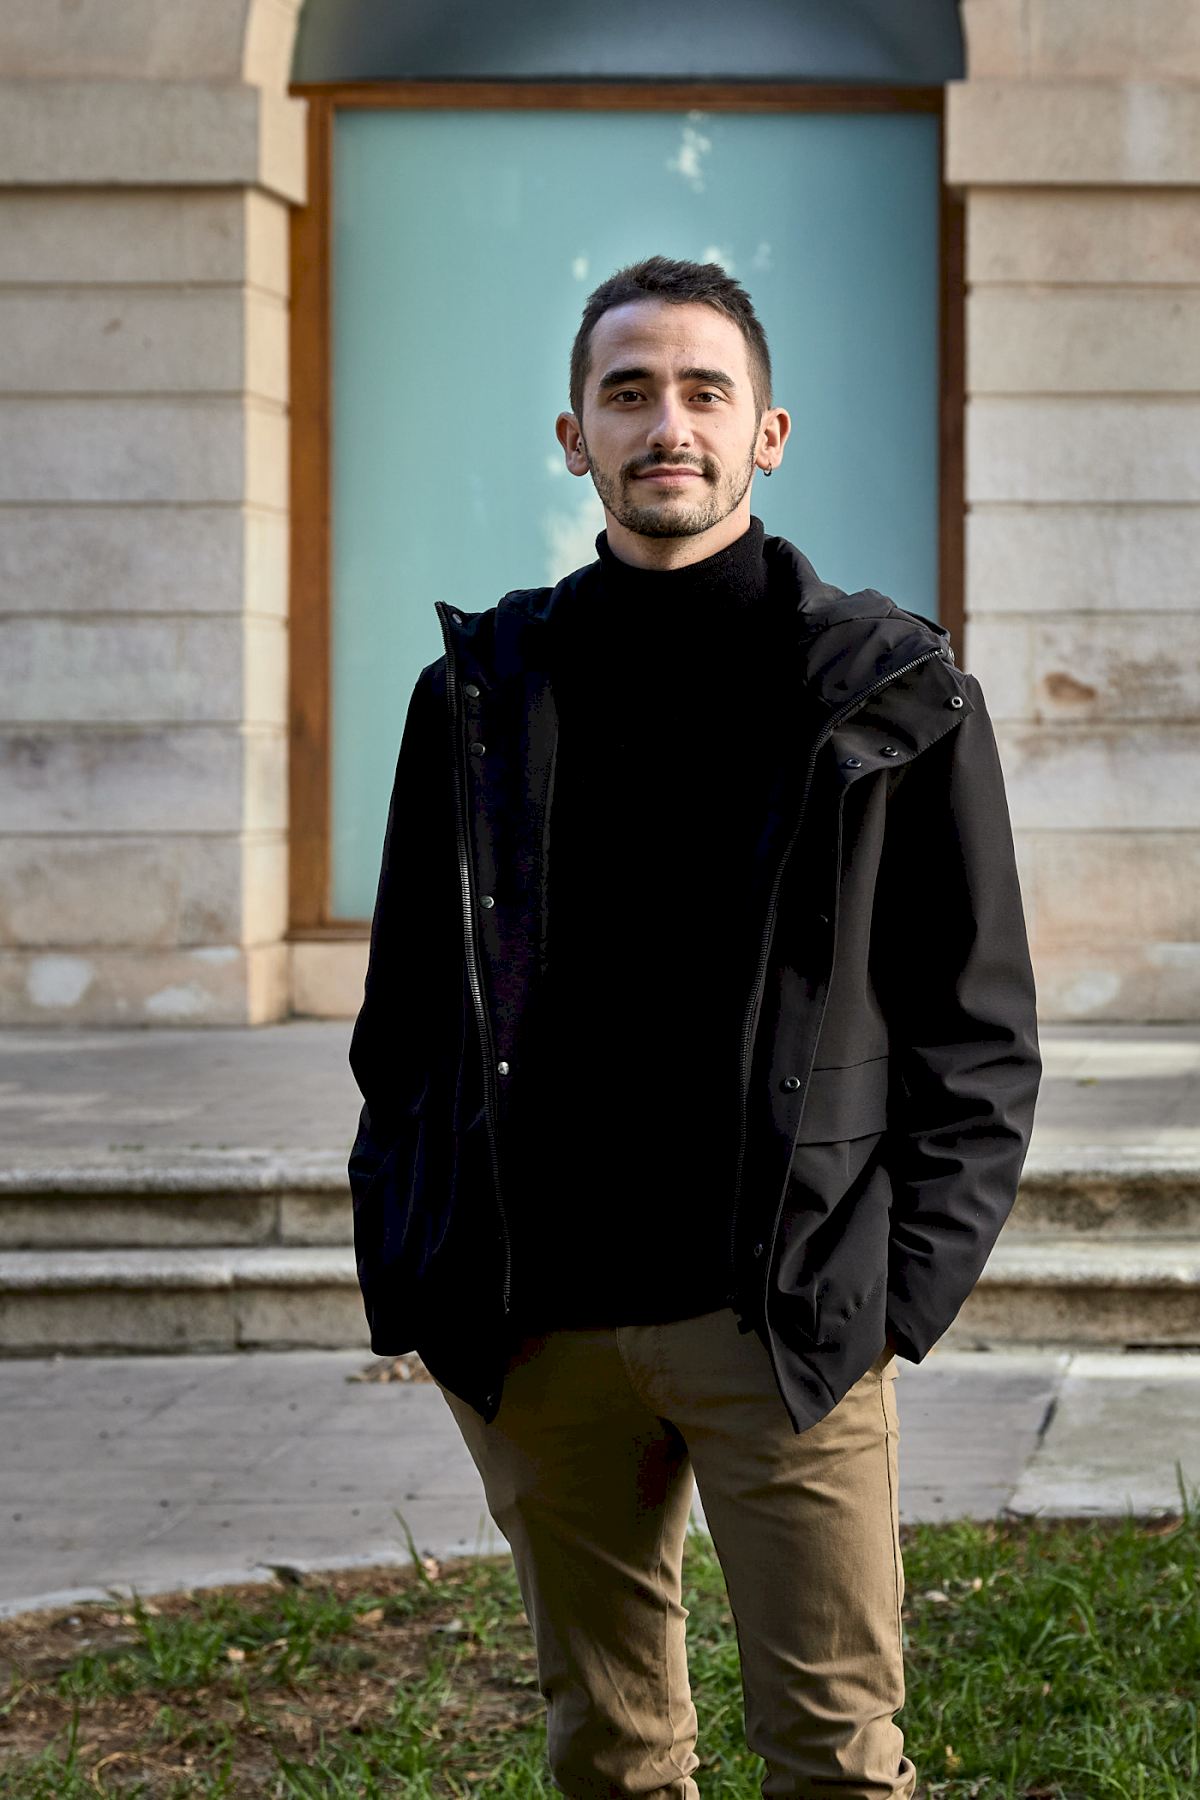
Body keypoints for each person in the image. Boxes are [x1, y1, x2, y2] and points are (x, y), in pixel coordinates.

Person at [348, 255, 1042, 1799]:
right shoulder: (477, 692)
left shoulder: (889, 690)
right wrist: (411, 1249)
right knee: (609, 1757)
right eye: (629, 392)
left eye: (704, 391)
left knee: (836, 1757)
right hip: (539, 1331)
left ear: (766, 434)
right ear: (574, 435)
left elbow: (979, 1025)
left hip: (781, 1317)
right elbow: (405, 1020)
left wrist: (895, 1291)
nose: (669, 422)